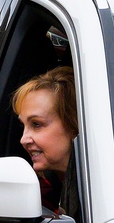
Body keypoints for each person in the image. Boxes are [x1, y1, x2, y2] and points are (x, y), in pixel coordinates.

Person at [11, 66, 78, 214]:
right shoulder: (36, 194)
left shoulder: (113, 190)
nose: (23, 139)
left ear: (73, 125)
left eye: (36, 124)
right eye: (24, 125)